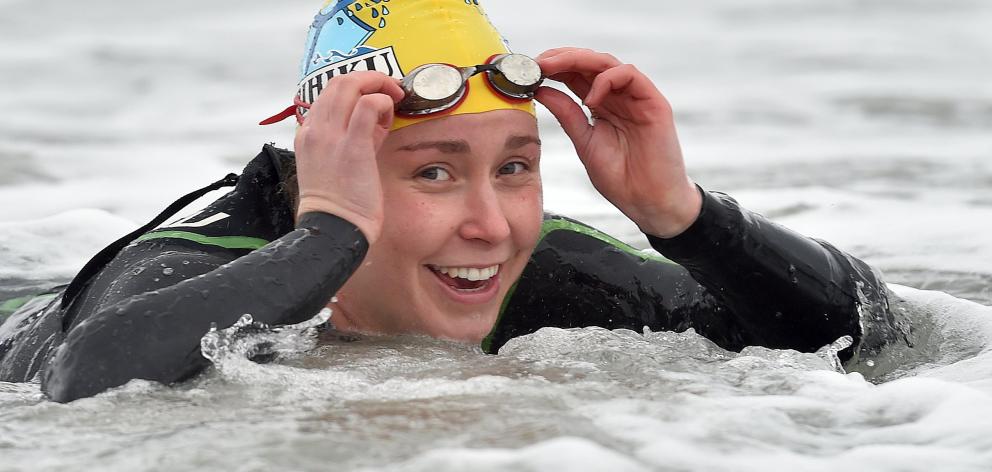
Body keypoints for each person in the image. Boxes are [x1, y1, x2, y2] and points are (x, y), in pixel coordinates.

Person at [0, 0, 910, 403]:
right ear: (333, 159)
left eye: (514, 167)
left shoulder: (549, 267)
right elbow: (86, 385)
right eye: (433, 172)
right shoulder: (195, 264)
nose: (494, 224)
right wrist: (333, 238)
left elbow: (856, 334)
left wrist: (685, 217)